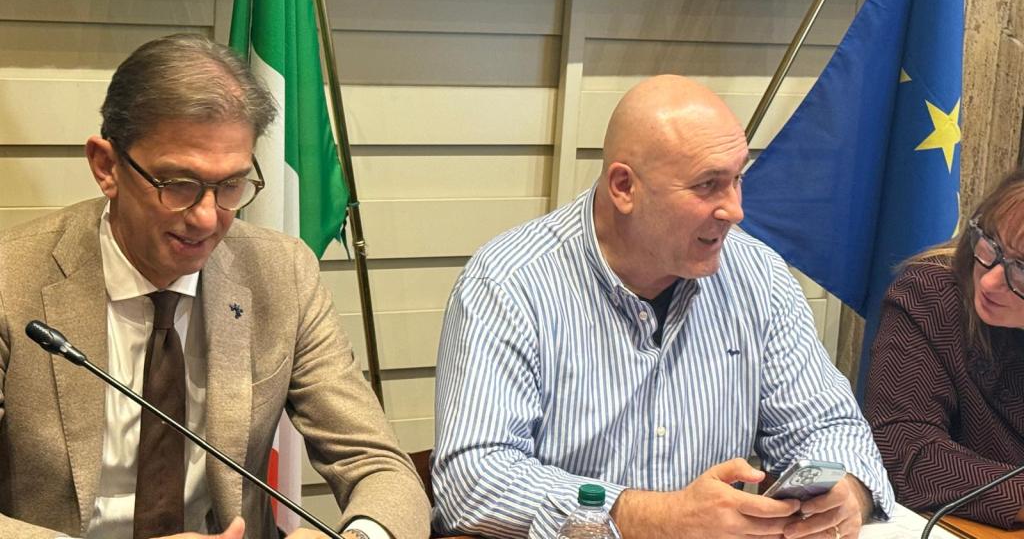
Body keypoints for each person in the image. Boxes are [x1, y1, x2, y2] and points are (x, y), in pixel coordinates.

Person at [0, 34, 430, 539]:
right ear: (107, 166)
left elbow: (380, 466)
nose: (207, 218)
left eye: (230, 185)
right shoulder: (12, 278)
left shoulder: (281, 273)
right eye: (177, 184)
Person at [432, 75, 894, 539]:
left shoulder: (758, 276)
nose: (735, 210)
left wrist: (845, 493)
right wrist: (659, 519)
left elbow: (831, 426)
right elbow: (472, 478)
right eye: (708, 185)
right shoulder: (509, 284)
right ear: (624, 187)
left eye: (737, 179)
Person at [865, 168, 1024, 529]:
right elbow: (904, 448)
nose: (990, 279)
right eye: (992, 245)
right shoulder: (933, 295)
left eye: (1022, 268)